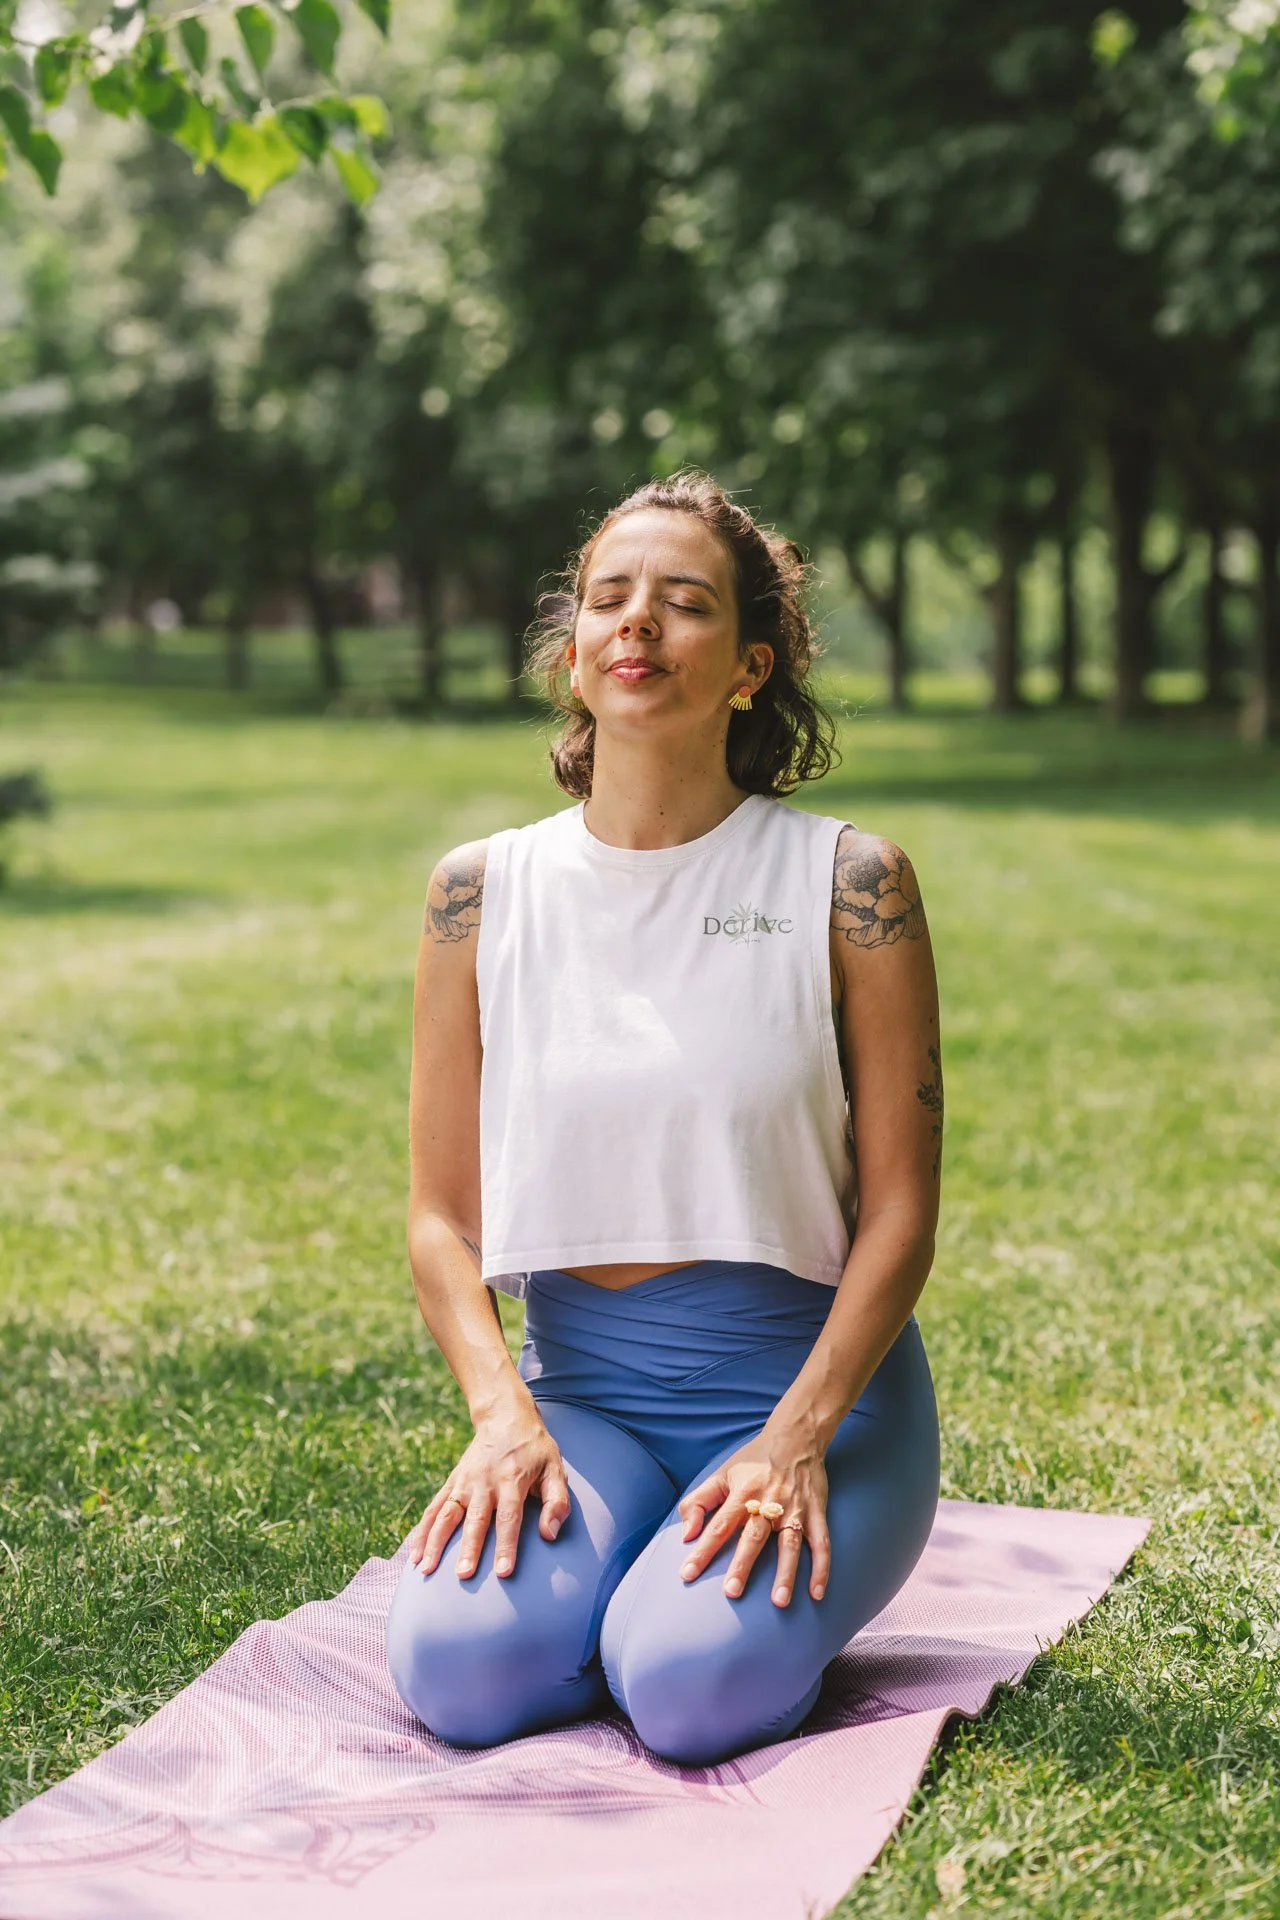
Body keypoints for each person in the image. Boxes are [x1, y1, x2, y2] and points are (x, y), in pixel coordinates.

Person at [385, 469, 942, 1768]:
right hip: (580, 1397)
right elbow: (437, 1217)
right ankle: (622, 1570)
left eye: (683, 605)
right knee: (459, 1676)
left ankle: (674, 1610)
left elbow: (906, 1212)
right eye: (608, 600)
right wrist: (499, 1418)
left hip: (816, 1402)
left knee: (685, 1693)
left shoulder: (851, 882)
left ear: (749, 666)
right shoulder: (478, 893)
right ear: (573, 653)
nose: (638, 625)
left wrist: (795, 1441)